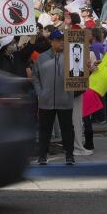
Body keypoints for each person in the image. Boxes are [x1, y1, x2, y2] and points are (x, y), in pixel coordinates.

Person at [31, 30, 75, 166]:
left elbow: (79, 75)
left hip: (65, 100)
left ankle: (69, 155)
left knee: (67, 129)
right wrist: (40, 92)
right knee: (45, 130)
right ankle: (42, 156)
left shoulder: (71, 56)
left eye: (63, 39)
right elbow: (35, 76)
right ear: (51, 41)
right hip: (46, 101)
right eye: (58, 39)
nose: (62, 42)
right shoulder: (41, 58)